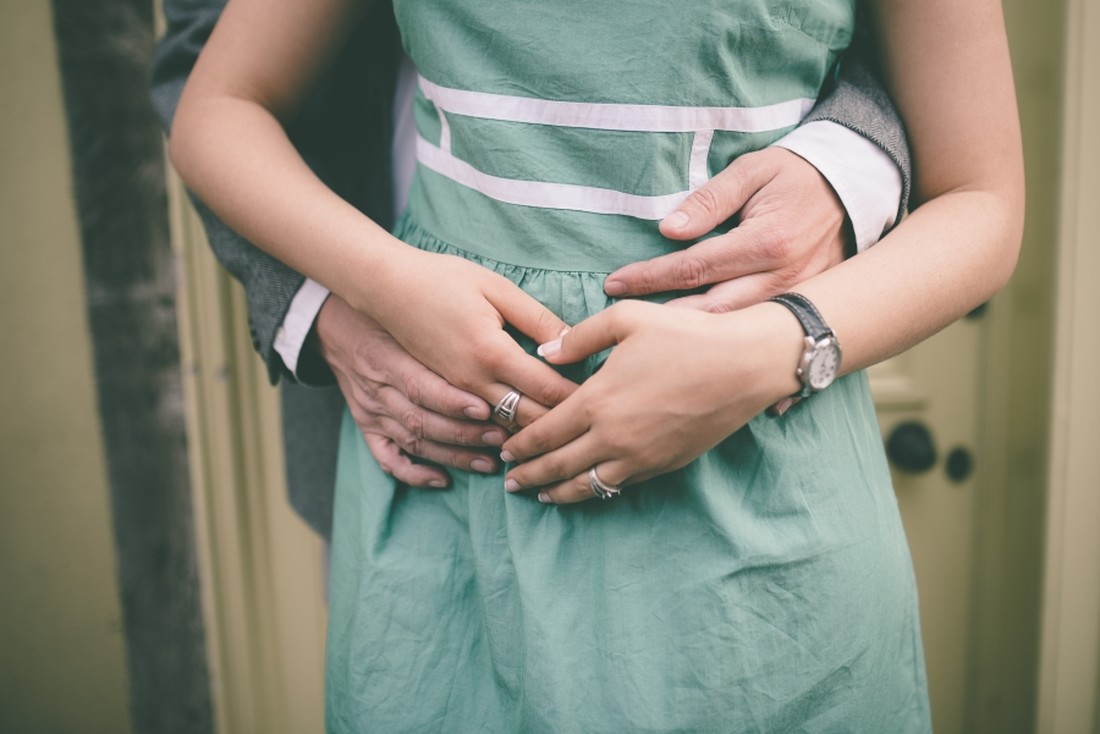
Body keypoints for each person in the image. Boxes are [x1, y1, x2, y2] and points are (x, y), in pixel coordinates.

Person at [170, 0, 1023, 729]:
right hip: (456, 487)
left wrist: (776, 346)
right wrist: (382, 281)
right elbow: (219, 103)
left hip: (757, 488)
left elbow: (981, 196)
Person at [150, 0, 910, 543]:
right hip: (429, 443)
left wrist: (844, 182)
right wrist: (353, 290)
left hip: (754, 458)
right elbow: (213, 84)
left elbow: (946, 116)